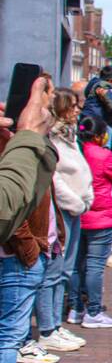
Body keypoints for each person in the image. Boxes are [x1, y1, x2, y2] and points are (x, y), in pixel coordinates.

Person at [0, 85, 64, 363]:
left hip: (24, 252)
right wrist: (28, 246)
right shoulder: (11, 141)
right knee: (8, 339)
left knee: (9, 337)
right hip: (14, 257)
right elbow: (11, 203)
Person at [36, 89, 92, 354]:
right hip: (64, 210)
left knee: (65, 271)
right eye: (73, 106)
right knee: (53, 271)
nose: (78, 110)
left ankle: (56, 324)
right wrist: (75, 202)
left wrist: (87, 193)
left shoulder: (71, 137)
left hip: (76, 209)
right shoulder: (53, 138)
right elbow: (54, 177)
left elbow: (80, 167)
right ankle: (47, 328)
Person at [67, 116, 112, 330]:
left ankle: (75, 308)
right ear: (100, 135)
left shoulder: (75, 151)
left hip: (77, 212)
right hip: (100, 215)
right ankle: (93, 311)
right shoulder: (104, 155)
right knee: (95, 265)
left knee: (76, 264)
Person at [0, 77, 58, 244]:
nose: (54, 96)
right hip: (20, 257)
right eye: (49, 91)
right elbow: (7, 206)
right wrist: (29, 135)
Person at [81, 65, 112, 150]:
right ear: (111, 80)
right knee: (109, 130)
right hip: (97, 119)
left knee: (83, 132)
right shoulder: (104, 85)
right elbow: (109, 96)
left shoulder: (94, 85)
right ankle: (106, 149)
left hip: (87, 117)